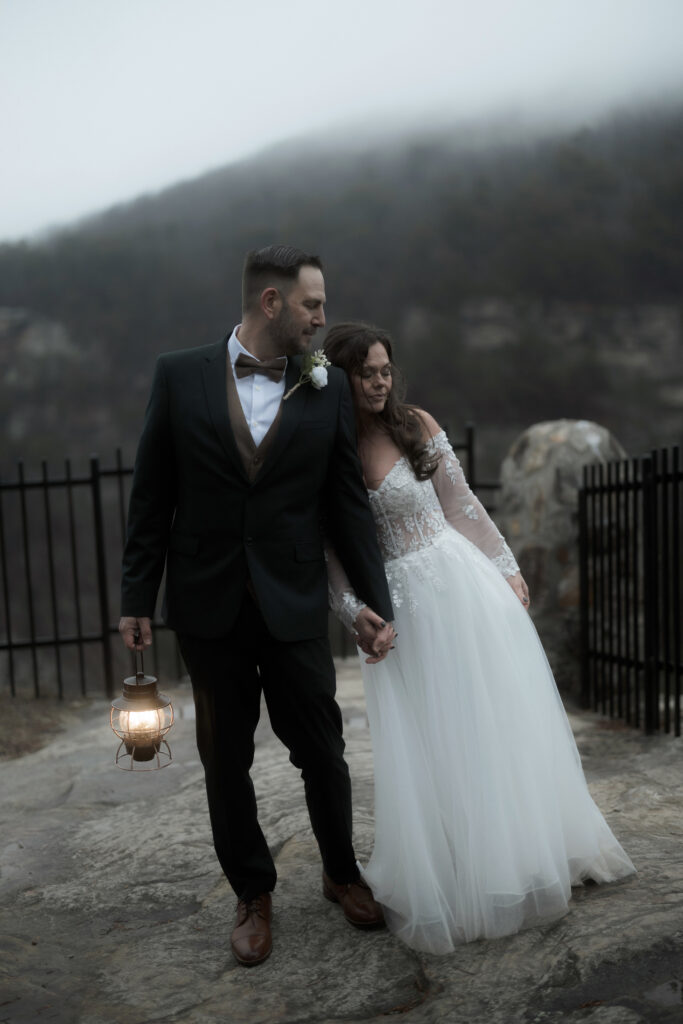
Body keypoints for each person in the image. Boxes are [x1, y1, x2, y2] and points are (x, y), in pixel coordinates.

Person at [118, 248, 395, 967]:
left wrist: (374, 600)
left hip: (295, 598)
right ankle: (252, 891)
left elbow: (344, 502)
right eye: (311, 304)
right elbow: (151, 496)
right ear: (271, 303)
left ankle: (341, 873)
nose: (322, 317)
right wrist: (135, 598)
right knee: (223, 758)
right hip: (208, 603)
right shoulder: (179, 376)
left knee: (322, 749)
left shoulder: (327, 385)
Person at [323, 322, 635, 954]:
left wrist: (507, 567)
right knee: (430, 732)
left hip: (459, 588)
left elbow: (462, 507)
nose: (380, 382)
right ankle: (456, 857)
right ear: (342, 378)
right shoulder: (330, 450)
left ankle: (518, 851)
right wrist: (354, 610)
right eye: (367, 373)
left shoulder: (418, 425)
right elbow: (329, 550)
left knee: (489, 719)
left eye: (386, 370)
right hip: (399, 611)